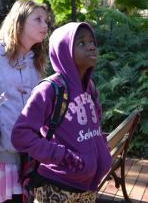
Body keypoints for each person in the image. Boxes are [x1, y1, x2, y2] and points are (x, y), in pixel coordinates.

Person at [11, 22, 112, 203]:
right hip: (57, 187)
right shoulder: (51, 89)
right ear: (64, 51)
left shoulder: (89, 88)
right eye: (81, 43)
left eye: (92, 41)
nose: (91, 46)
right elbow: (21, 134)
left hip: (88, 187)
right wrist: (62, 157)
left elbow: (95, 125)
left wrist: (101, 150)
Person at [0, 0, 48, 203]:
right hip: (1, 156)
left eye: (46, 21)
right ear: (19, 22)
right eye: (38, 19)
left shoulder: (34, 59)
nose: (45, 26)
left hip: (29, 155)